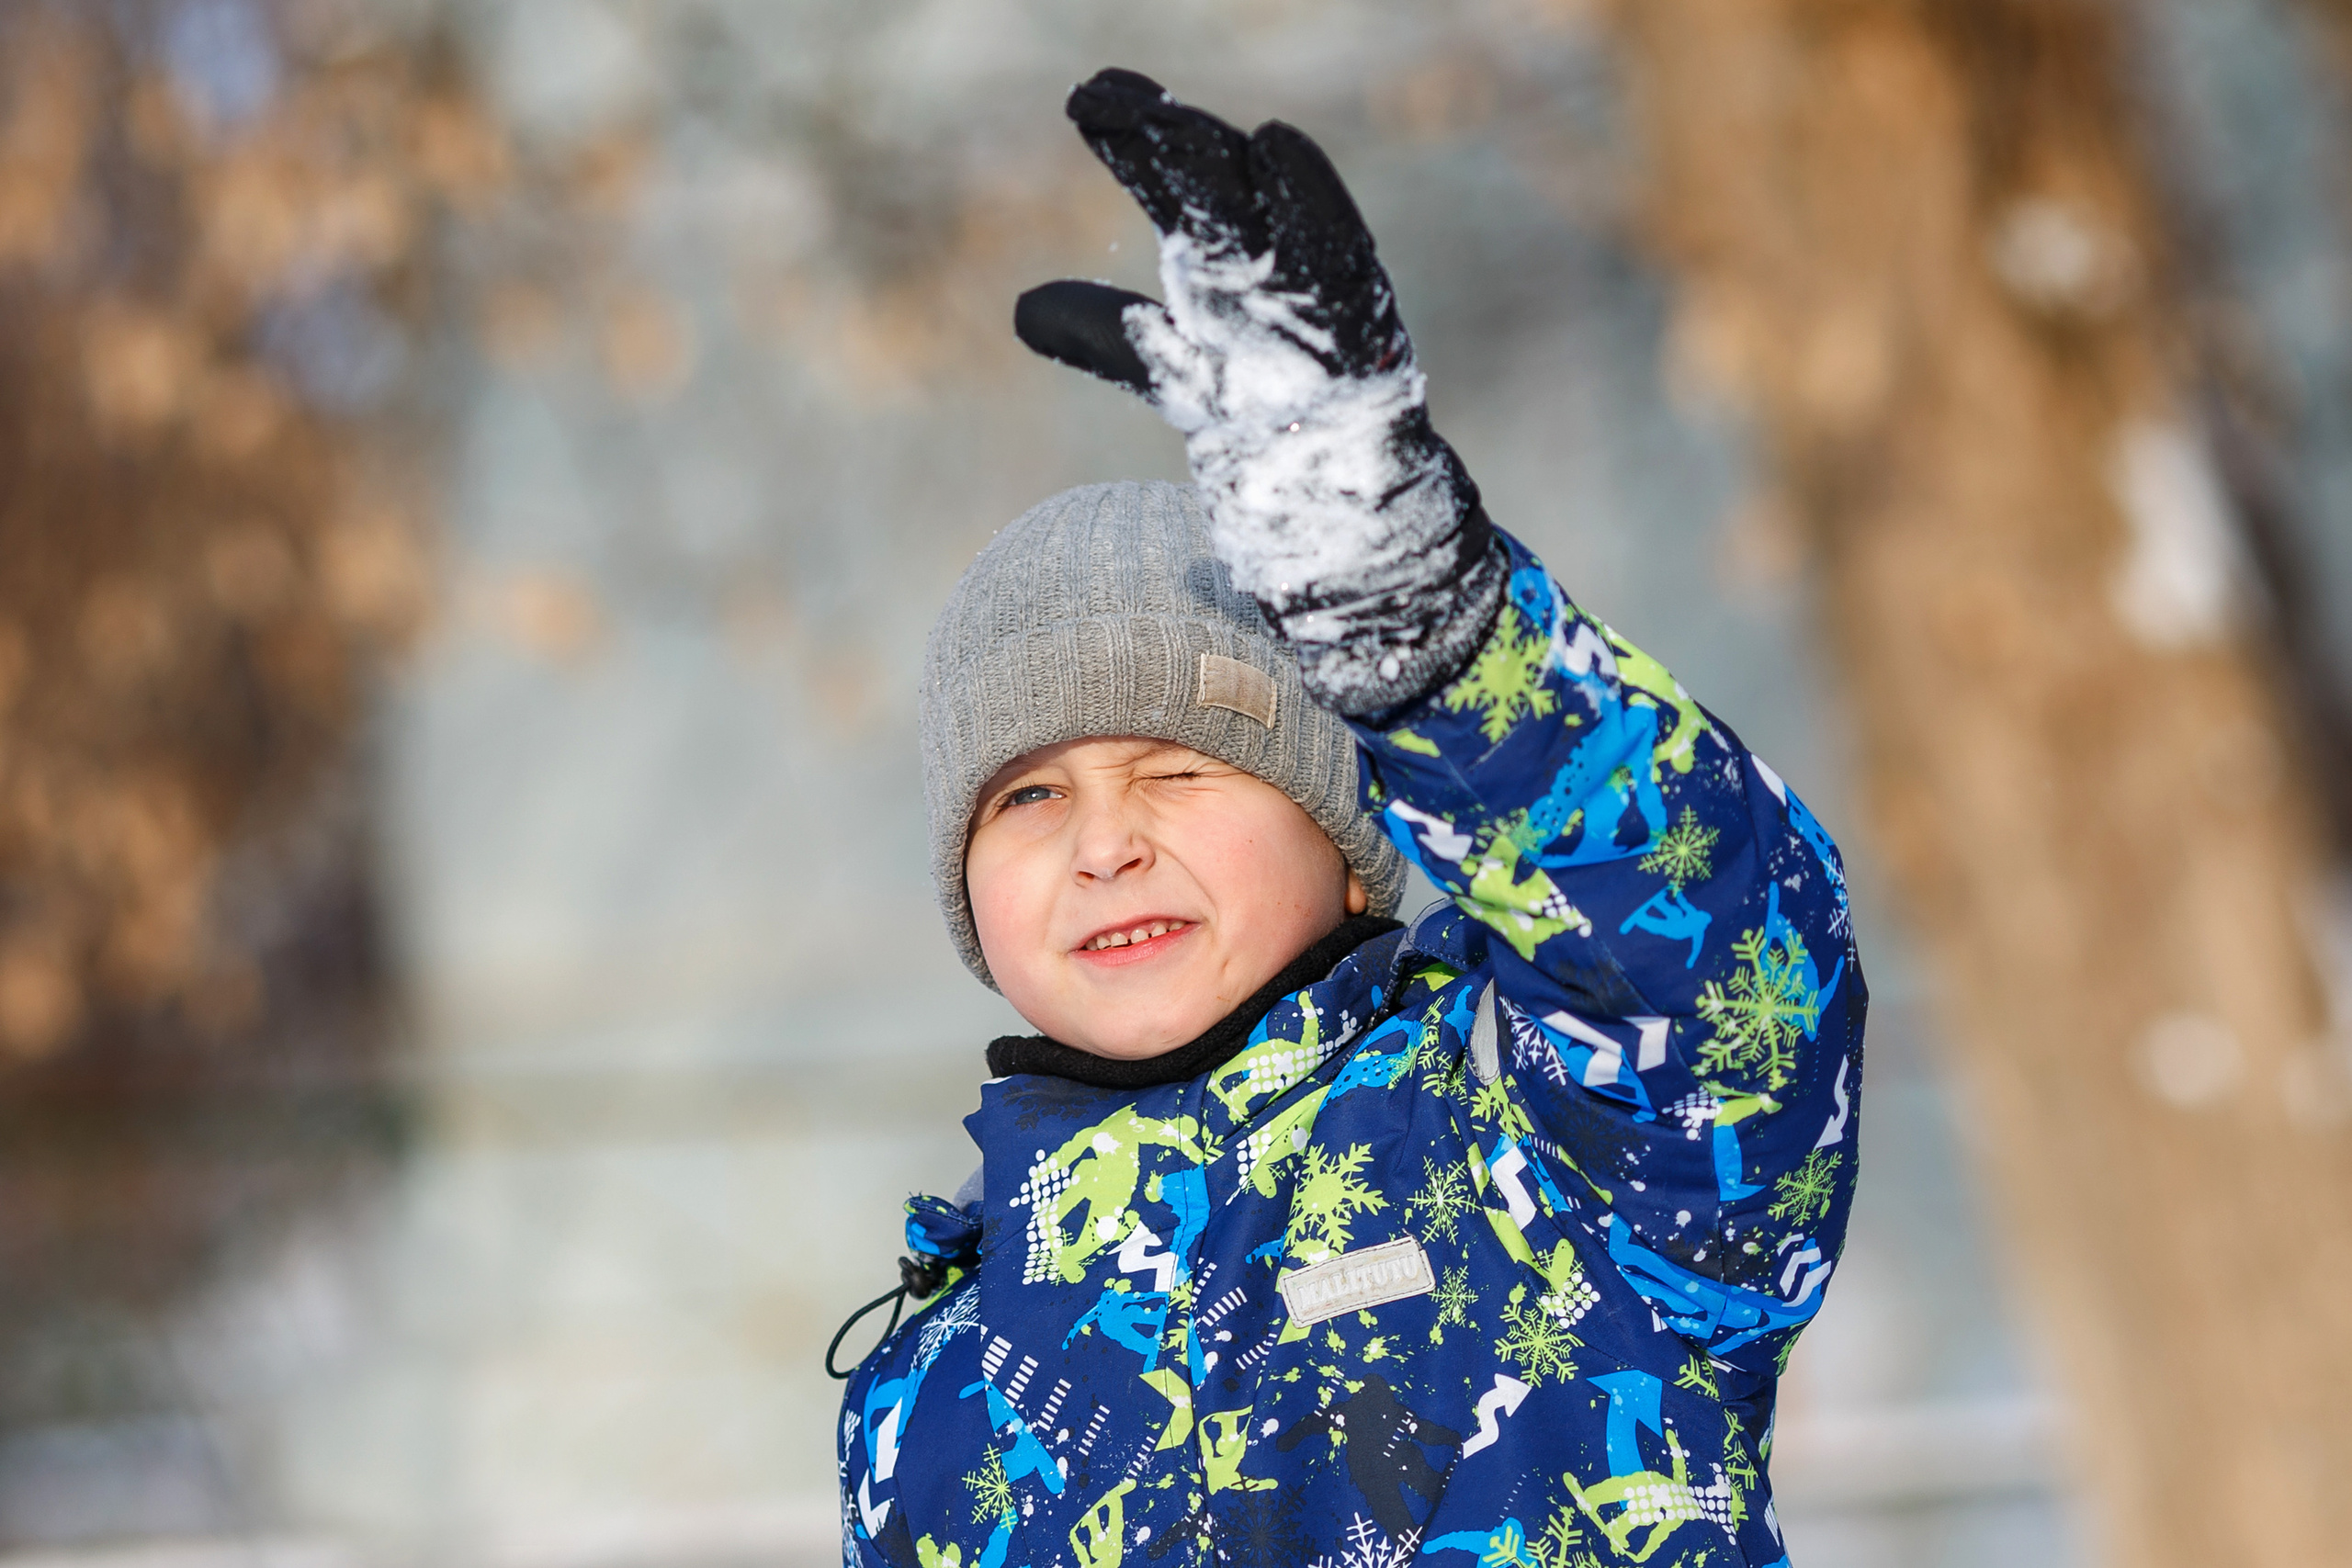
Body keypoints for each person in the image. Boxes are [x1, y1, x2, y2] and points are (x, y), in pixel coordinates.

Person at [834, 67, 1863, 1568]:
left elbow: (1724, 982)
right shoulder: (927, 1397)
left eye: (1183, 768)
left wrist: (1423, 625)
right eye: (1029, 796)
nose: (1102, 841)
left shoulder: (1543, 1154)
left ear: (1352, 838)